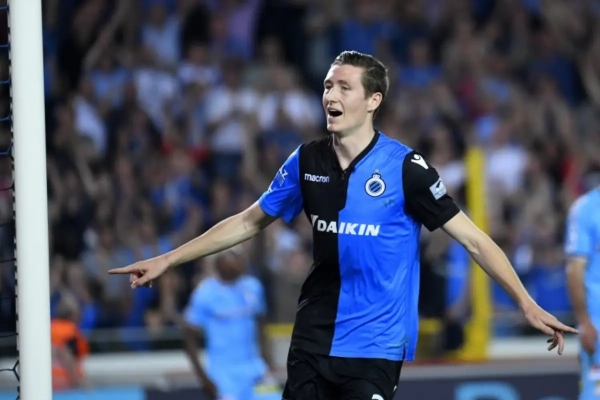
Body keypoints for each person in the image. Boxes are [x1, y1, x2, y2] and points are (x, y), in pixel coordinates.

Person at [110, 51, 577, 400]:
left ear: (373, 100)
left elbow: (474, 240)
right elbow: (250, 220)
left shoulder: (406, 168)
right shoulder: (306, 160)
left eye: (344, 88)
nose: (330, 96)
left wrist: (526, 302)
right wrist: (169, 259)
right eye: (327, 86)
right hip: (313, 336)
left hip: (376, 345)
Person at [182, 247, 278, 400]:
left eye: (240, 256)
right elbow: (189, 338)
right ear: (218, 263)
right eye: (232, 256)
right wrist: (203, 378)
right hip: (223, 372)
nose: (239, 261)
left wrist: (266, 358)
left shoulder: (253, 287)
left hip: (254, 366)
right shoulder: (205, 293)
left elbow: (261, 322)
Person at [565, 189, 600, 400]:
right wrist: (585, 321)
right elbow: (575, 270)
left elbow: (574, 269)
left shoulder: (586, 207)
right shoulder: (587, 208)